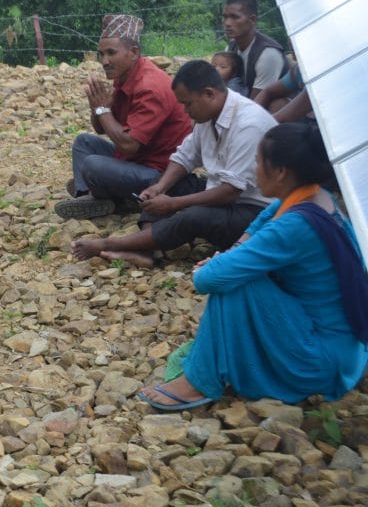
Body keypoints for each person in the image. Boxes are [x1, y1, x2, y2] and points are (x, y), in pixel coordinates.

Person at [138, 124, 368, 410]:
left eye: (259, 161)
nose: (254, 167)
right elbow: (266, 216)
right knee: (235, 271)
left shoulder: (295, 226)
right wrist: (234, 254)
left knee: (233, 282)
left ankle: (198, 384)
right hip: (346, 350)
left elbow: (208, 279)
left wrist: (220, 264)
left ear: (281, 172)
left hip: (320, 362)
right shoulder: (317, 197)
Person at [72, 59, 277, 267]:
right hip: (222, 190)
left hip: (254, 211)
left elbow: (230, 191)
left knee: (195, 215)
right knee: (165, 182)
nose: (186, 112)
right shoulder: (209, 115)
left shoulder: (248, 125)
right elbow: (185, 157)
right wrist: (160, 188)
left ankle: (112, 244)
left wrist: (174, 203)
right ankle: (147, 249)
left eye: (188, 104)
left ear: (209, 94)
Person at [55, 15, 192, 220]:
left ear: (133, 52)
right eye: (101, 54)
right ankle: (88, 196)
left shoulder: (149, 87)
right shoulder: (124, 75)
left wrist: (102, 110)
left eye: (111, 53)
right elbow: (103, 128)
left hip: (160, 175)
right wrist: (97, 109)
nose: (104, 61)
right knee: (83, 142)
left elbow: (129, 145)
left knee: (92, 165)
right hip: (137, 161)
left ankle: (109, 195)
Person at [222, 0, 287, 103]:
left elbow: (255, 105)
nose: (227, 23)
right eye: (225, 17)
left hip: (271, 113)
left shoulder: (268, 54)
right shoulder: (231, 48)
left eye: (235, 17)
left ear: (252, 20)